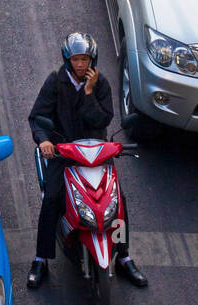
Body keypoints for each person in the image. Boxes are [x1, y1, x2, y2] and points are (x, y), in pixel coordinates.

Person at [27, 32, 148, 291]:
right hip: (64, 152)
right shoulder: (55, 82)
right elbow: (37, 117)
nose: (80, 65)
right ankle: (40, 259)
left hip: (97, 153)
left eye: (84, 59)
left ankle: (124, 256)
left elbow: (102, 121)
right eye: (76, 59)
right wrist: (44, 141)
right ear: (67, 59)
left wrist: (89, 93)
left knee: (118, 203)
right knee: (51, 198)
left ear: (92, 59)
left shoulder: (100, 83)